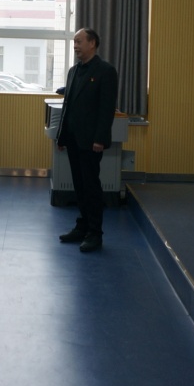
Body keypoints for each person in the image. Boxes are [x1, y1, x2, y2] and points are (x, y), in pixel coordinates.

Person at [56, 28, 118, 253]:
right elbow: (68, 106)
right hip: (73, 139)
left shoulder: (106, 71)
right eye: (74, 42)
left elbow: (106, 109)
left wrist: (100, 138)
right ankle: (82, 226)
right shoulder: (73, 71)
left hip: (91, 141)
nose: (75, 46)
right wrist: (62, 136)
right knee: (79, 185)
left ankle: (95, 233)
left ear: (92, 43)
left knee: (91, 186)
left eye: (79, 41)